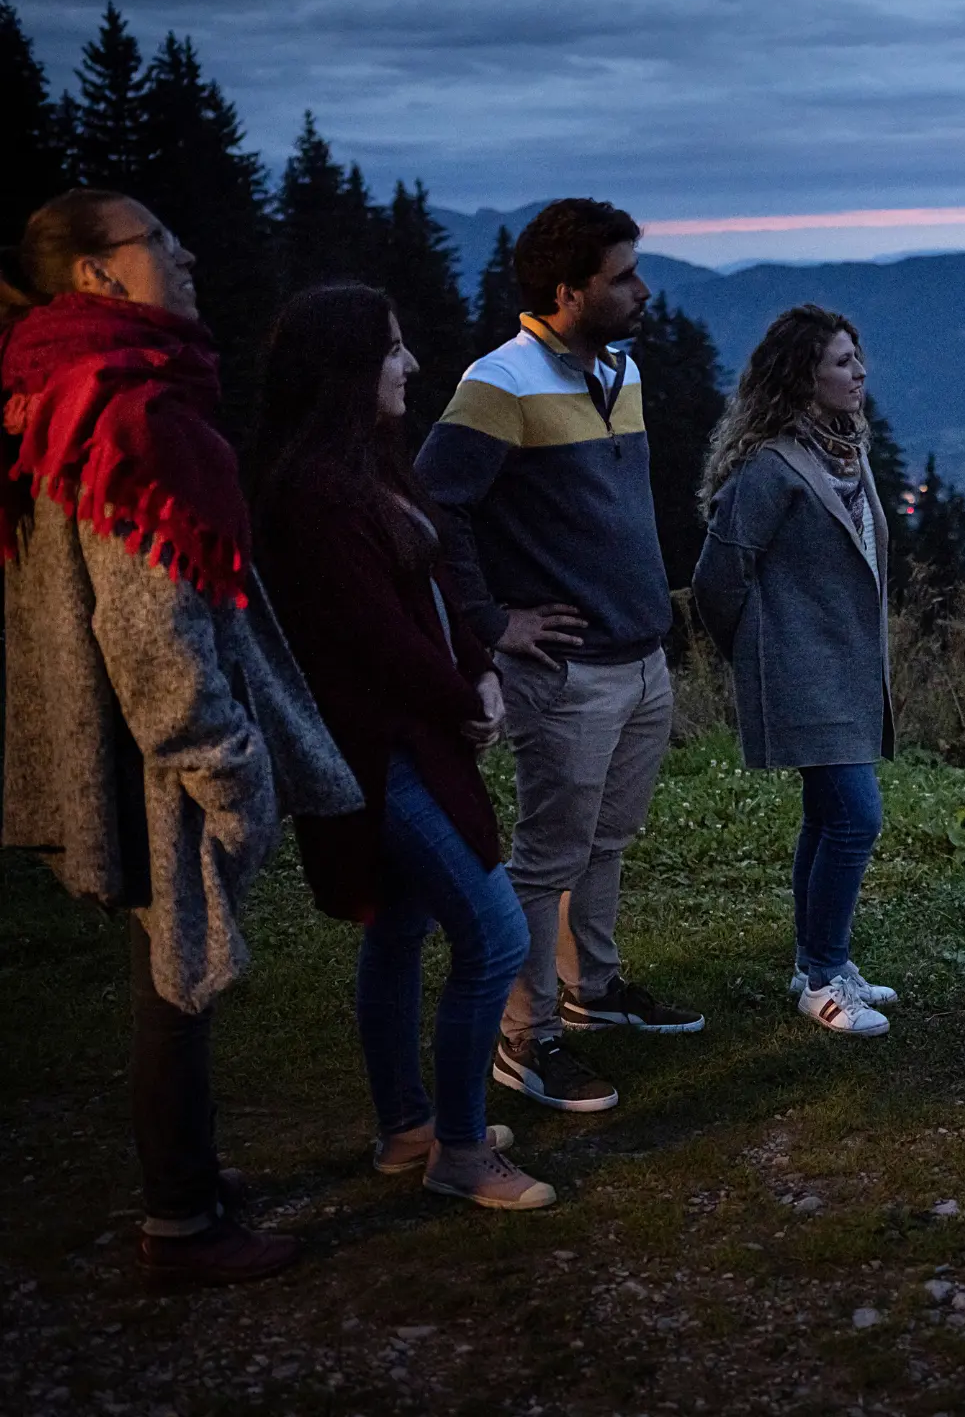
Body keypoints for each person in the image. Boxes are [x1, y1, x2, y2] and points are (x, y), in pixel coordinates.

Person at [0, 190, 361, 1281]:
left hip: (101, 740)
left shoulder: (46, 386)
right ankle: (183, 1226)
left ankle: (187, 1181)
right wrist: (225, 766)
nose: (187, 251)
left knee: (161, 969)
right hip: (152, 753)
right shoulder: (122, 411)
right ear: (99, 276)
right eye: (159, 240)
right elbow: (151, 624)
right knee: (175, 973)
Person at [250, 284, 555, 1210]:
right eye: (390, 350)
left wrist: (480, 670)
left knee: (401, 926)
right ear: (346, 369)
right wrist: (464, 694)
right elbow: (369, 634)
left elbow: (429, 597)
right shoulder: (311, 494)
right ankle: (460, 1152)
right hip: (381, 753)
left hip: (415, 735)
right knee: (495, 935)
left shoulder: (370, 468)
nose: (410, 364)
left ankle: (408, 1126)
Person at [415, 198, 701, 1115]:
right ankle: (524, 1038)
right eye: (622, 276)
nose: (641, 289)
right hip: (568, 671)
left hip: (639, 654)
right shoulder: (500, 383)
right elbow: (435, 506)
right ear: (568, 291)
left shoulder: (621, 365)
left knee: (605, 840)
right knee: (548, 857)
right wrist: (494, 625)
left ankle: (593, 991)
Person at [692, 306, 899, 1036]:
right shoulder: (771, 466)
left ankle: (820, 960)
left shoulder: (844, 450)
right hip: (803, 672)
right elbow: (718, 576)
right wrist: (760, 656)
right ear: (802, 375)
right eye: (842, 361)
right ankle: (820, 980)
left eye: (858, 356)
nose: (859, 371)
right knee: (855, 818)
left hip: (846, 668)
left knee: (828, 815)